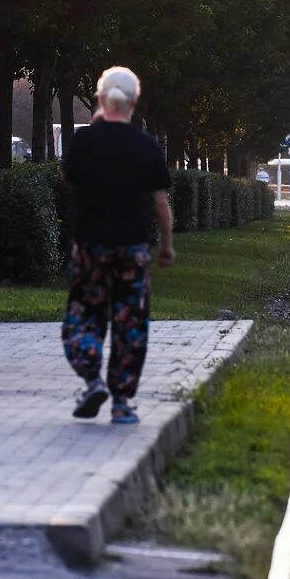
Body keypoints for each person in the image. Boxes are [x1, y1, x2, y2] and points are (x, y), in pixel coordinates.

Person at [60, 66, 174, 426]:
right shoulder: (147, 146)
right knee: (130, 322)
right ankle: (122, 402)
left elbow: (67, 178)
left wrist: (95, 130)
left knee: (84, 314)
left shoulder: (83, 142)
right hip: (132, 249)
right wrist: (166, 245)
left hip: (90, 246)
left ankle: (92, 379)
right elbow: (160, 204)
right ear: (134, 103)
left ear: (100, 99)